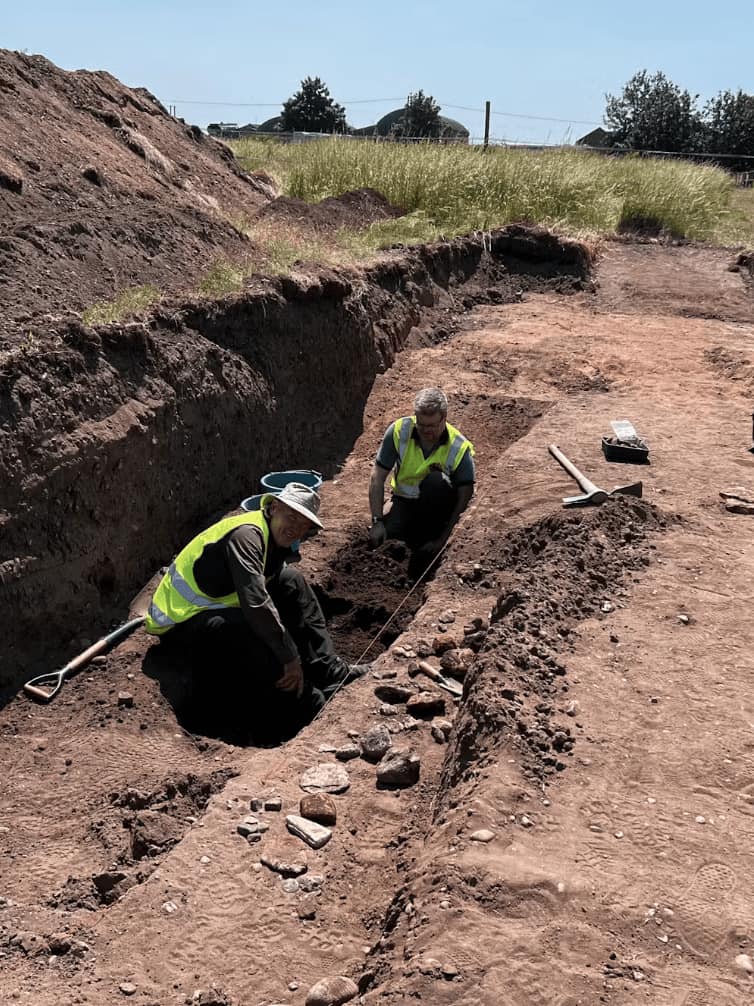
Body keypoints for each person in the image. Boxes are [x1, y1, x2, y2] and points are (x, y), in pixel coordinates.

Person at [145, 483, 368, 742]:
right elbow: (256, 603)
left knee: (291, 581)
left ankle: (329, 672)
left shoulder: (273, 541)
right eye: (291, 516)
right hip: (179, 625)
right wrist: (290, 657)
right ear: (273, 508)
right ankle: (307, 703)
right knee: (249, 628)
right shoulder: (247, 536)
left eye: (303, 523)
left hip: (214, 607)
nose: (295, 526)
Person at [368, 388, 475, 558]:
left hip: (438, 511)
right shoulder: (399, 430)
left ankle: (429, 535)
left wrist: (443, 539)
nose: (426, 431)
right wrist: (377, 521)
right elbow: (377, 476)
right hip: (403, 501)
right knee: (387, 540)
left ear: (444, 418)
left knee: (435, 481)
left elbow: (465, 497)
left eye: (432, 425)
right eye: (421, 424)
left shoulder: (458, 447)